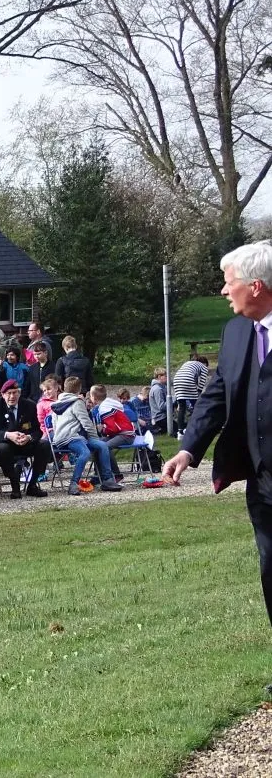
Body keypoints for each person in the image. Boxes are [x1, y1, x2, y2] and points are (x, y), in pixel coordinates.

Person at [166, 240, 272, 632]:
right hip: (262, 480)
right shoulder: (236, 331)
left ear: (256, 286)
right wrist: (188, 450)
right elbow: (217, 394)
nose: (224, 291)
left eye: (230, 283)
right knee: (270, 570)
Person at [49, 377, 121, 495]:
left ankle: (107, 480)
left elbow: (54, 424)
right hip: (71, 437)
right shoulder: (76, 402)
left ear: (64, 388)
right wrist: (95, 437)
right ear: (79, 389)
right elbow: (86, 423)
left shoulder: (57, 403)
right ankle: (73, 483)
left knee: (102, 446)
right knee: (86, 452)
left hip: (66, 437)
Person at [0, 380, 52, 499]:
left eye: (15, 393)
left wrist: (29, 437)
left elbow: (37, 430)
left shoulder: (29, 405)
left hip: (25, 443)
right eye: (9, 393)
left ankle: (32, 485)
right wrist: (8, 435)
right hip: (5, 443)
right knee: (2, 449)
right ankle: (15, 486)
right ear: (2, 394)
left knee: (44, 445)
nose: (12, 396)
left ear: (19, 393)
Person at [172, 356, 211, 434]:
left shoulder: (188, 363)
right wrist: (198, 393)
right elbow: (202, 382)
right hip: (188, 380)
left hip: (176, 380)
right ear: (205, 363)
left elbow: (194, 378)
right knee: (196, 406)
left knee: (182, 407)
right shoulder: (204, 367)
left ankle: (180, 431)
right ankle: (196, 428)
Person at [150, 367, 169, 432]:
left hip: (162, 416)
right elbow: (161, 406)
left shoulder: (162, 387)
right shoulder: (157, 389)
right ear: (159, 377)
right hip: (160, 418)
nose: (167, 378)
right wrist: (172, 400)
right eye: (165, 376)